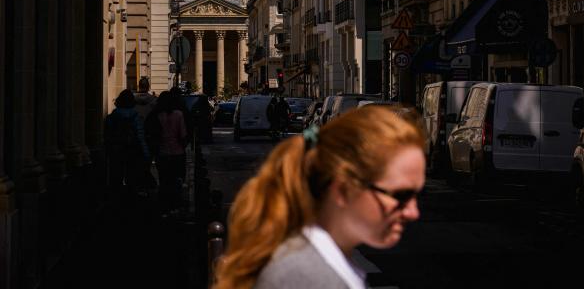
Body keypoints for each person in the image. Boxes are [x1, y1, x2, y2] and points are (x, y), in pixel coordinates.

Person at [214, 105, 426, 289]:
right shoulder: (306, 276)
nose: (413, 212)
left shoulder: (311, 262)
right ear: (343, 190)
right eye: (400, 195)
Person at [104, 89, 150, 194]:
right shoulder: (136, 117)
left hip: (116, 150)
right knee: (132, 176)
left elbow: (107, 136)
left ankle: (116, 198)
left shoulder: (112, 117)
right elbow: (140, 136)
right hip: (132, 150)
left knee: (116, 176)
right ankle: (130, 199)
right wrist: (146, 153)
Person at [151, 90, 188, 212]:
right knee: (177, 181)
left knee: (164, 181)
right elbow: (183, 135)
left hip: (162, 153)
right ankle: (175, 206)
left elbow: (154, 135)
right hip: (177, 153)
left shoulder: (157, 115)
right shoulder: (178, 114)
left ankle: (164, 207)